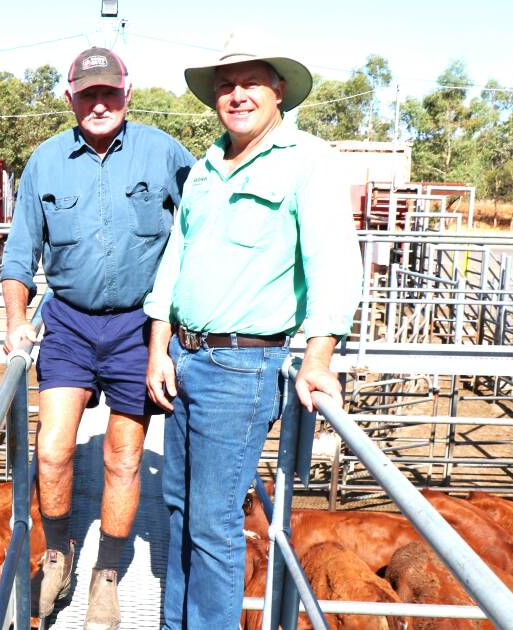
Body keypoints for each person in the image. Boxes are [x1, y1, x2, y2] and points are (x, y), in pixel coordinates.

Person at [143, 35, 363, 629]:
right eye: (224, 85)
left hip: (242, 367)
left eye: (249, 83)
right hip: (184, 358)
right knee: (179, 510)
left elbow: (334, 266)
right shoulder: (207, 165)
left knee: (214, 523)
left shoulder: (308, 161)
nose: (235, 95)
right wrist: (158, 346)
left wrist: (318, 358)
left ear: (278, 91)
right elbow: (176, 257)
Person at [0, 46, 194, 627]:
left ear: (127, 94)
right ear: (71, 99)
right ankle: (59, 552)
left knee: (123, 456)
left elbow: (204, 222)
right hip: (69, 323)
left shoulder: (163, 153)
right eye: (88, 94)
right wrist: (15, 321)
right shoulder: (46, 162)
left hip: (140, 326)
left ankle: (106, 575)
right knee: (53, 448)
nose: (100, 103)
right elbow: (17, 254)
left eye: (110, 92)